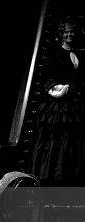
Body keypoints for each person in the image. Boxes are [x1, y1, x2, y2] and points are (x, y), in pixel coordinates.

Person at [31, 18, 85, 186]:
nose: (69, 34)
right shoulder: (55, 54)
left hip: (75, 103)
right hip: (58, 105)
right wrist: (59, 88)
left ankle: (71, 177)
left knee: (73, 141)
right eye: (66, 32)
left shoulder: (78, 54)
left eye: (71, 32)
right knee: (56, 139)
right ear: (61, 34)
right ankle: (53, 176)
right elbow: (48, 76)